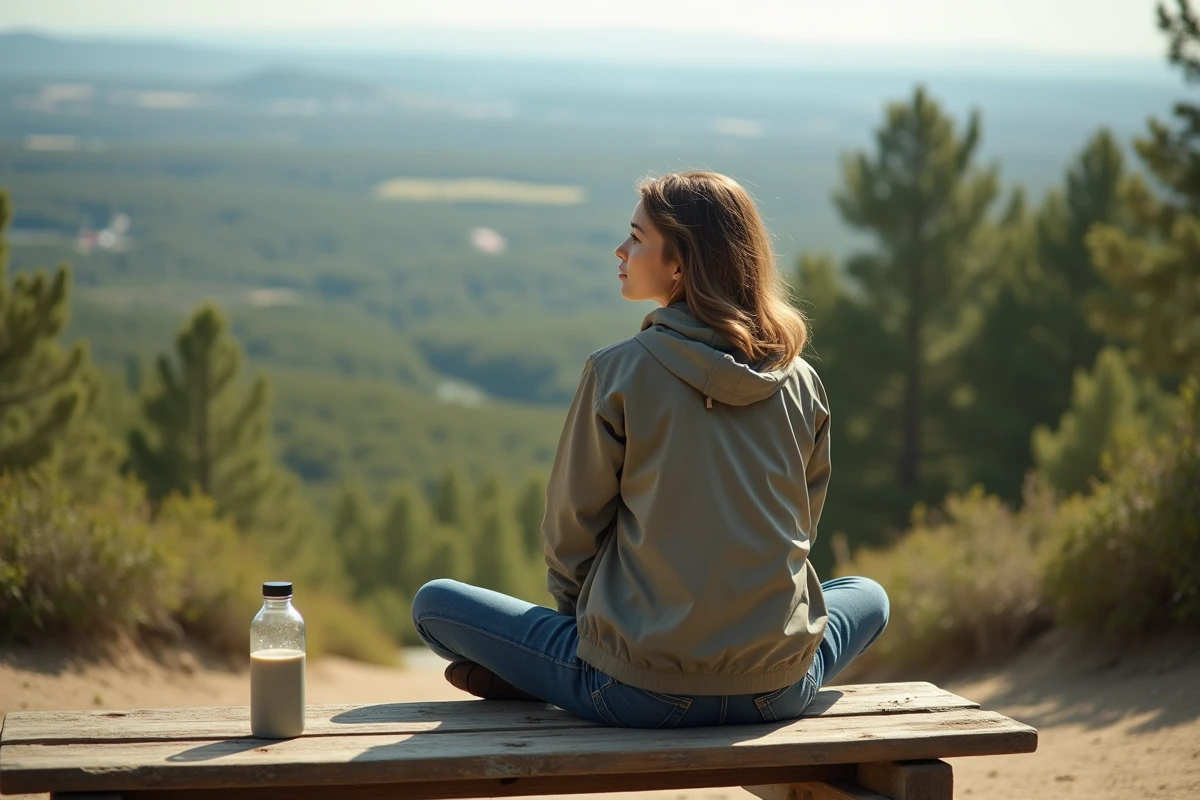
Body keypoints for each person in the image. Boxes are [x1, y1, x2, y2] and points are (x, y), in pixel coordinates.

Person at [411, 171, 889, 728]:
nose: (621, 249)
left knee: (434, 604)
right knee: (868, 595)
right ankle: (556, 674)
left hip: (637, 691)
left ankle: (544, 677)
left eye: (636, 237)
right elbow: (799, 527)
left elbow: (573, 533)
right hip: (778, 688)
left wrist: (584, 633)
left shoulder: (618, 371)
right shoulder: (801, 381)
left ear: (679, 264)